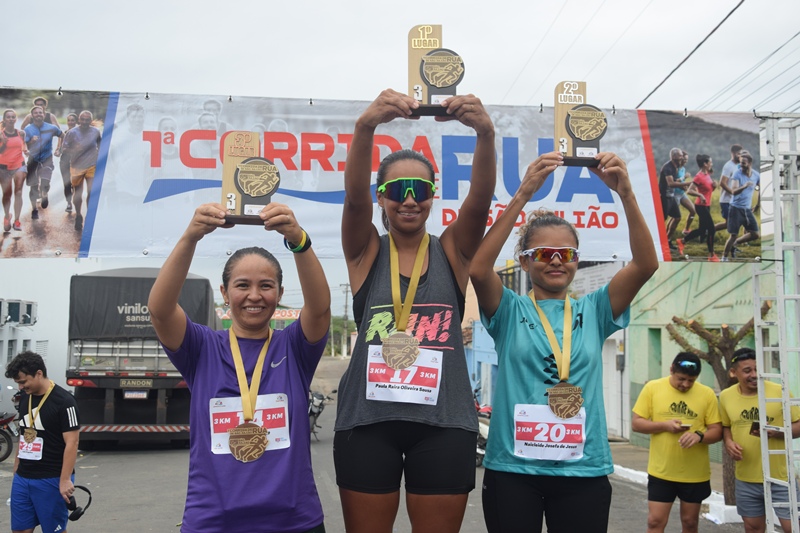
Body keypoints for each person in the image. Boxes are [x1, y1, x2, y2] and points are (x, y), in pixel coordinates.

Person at [334, 89, 495, 533]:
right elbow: (353, 202)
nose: (409, 199)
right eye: (397, 190)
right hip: (368, 420)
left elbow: (479, 201)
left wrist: (485, 134)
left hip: (444, 422)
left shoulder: (452, 251)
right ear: (381, 197)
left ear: (432, 196)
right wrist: (365, 125)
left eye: (420, 190)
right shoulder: (366, 251)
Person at [470, 151, 658, 532]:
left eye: (566, 254)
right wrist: (523, 194)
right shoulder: (509, 310)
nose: (556, 261)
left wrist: (626, 194)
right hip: (513, 469)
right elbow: (478, 268)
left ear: (576, 260)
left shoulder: (596, 309)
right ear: (525, 262)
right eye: (544, 253)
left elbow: (645, 265)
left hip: (582, 469)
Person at [148, 202, 331, 533]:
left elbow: (319, 310)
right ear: (225, 292)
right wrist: (190, 237)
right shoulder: (201, 348)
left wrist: (299, 240)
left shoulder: (294, 347)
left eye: (266, 285)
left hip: (293, 521)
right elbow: (160, 310)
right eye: (243, 285)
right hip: (214, 521)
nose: (254, 296)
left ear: (280, 293)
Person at [632, 352, 723, 533]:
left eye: (691, 381)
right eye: (681, 379)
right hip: (662, 471)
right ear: (671, 370)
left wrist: (699, 436)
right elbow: (636, 423)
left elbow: (717, 431)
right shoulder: (653, 388)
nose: (686, 384)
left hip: (694, 474)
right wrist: (665, 425)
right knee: (655, 522)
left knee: (690, 523)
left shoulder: (707, 394)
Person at [719, 348, 800, 533]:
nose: (754, 375)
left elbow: (799, 425)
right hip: (746, 478)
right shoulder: (726, 396)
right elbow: (726, 426)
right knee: (753, 528)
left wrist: (777, 432)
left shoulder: (779, 391)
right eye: (747, 371)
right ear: (733, 372)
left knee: (793, 528)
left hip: (780, 477)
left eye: (758, 369)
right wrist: (729, 442)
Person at [5, 351, 81, 533]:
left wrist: (65, 480)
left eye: (23, 381)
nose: (21, 386)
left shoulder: (65, 402)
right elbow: (24, 434)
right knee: (20, 530)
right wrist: (16, 467)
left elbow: (72, 443)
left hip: (51, 478)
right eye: (18, 383)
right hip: (23, 477)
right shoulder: (25, 397)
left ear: (39, 373)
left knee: (53, 531)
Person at [61, 110, 101, 231]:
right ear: (79, 120)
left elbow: (101, 145)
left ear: (90, 121)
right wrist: (74, 150)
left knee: (91, 191)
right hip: (76, 166)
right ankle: (78, 215)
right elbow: (64, 149)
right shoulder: (72, 133)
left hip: (92, 166)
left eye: (87, 120)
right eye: (82, 119)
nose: (84, 122)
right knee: (78, 193)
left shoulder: (95, 131)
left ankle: (90, 216)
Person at [676, 154, 719, 261]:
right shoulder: (698, 176)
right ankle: (711, 255)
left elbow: (707, 191)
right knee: (711, 229)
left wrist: (714, 187)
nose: (711, 164)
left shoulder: (707, 174)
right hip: (700, 206)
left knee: (702, 230)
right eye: (710, 162)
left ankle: (682, 241)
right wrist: (700, 195)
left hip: (707, 205)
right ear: (705, 164)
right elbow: (689, 190)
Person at [24, 105, 63, 218]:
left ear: (44, 114)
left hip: (47, 159)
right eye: (36, 113)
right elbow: (25, 144)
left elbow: (63, 135)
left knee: (45, 184)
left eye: (40, 112)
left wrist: (60, 149)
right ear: (32, 116)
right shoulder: (28, 129)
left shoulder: (51, 128)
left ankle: (44, 194)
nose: (38, 114)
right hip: (33, 160)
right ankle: (34, 209)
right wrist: (31, 142)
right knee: (33, 187)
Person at [723, 149, 760, 260]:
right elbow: (733, 191)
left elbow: (761, 189)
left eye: (743, 163)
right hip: (735, 208)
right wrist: (744, 186)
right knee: (733, 235)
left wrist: (758, 204)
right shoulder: (737, 173)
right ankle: (724, 258)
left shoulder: (756, 175)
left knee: (755, 234)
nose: (741, 165)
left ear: (749, 163)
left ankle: (735, 244)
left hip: (747, 209)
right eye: (740, 163)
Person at [0, 109, 28, 232]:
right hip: (3, 168)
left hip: (19, 165)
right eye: (8, 117)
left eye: (13, 117)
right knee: (7, 194)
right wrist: (3, 143)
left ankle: (17, 220)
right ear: (4, 120)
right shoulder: (0, 134)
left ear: (15, 119)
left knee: (18, 192)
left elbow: (23, 145)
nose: (11, 119)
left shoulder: (21, 133)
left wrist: (26, 150)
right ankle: (7, 216)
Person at [659, 148, 690, 251]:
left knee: (677, 217)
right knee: (661, 220)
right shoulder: (667, 167)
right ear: (674, 156)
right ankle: (657, 242)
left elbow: (675, 180)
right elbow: (671, 183)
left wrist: (683, 184)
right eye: (680, 155)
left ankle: (667, 240)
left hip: (671, 196)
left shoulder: (675, 167)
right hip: (664, 197)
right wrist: (688, 183)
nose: (682, 157)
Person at [715, 144, 742, 233]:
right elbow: (722, 183)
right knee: (730, 224)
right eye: (738, 154)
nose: (740, 156)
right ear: (733, 153)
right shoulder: (728, 166)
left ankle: (708, 231)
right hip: (726, 200)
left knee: (735, 222)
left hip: (734, 201)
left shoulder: (738, 166)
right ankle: (708, 231)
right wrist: (732, 192)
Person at [58, 113, 78, 213]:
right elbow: (60, 148)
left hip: (77, 161)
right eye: (69, 120)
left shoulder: (80, 133)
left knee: (75, 183)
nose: (70, 122)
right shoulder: (64, 133)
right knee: (66, 183)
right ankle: (69, 203)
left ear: (76, 121)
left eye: (72, 120)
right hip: (64, 160)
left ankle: (74, 197)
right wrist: (58, 151)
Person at [676, 150, 697, 237]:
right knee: (675, 217)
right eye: (684, 159)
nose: (685, 161)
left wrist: (687, 188)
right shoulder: (675, 168)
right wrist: (684, 177)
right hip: (675, 194)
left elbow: (682, 182)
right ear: (680, 158)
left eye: (687, 160)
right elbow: (675, 182)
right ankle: (667, 235)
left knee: (693, 211)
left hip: (682, 194)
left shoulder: (683, 169)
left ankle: (686, 229)